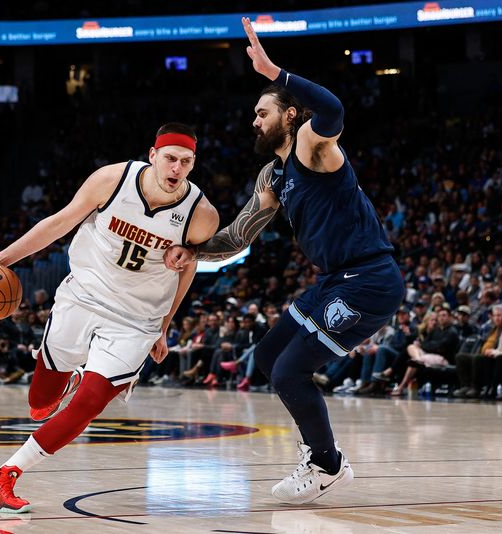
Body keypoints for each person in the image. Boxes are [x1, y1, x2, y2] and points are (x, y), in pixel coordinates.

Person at [164, 18, 403, 504]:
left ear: (291, 115)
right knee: (270, 358)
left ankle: (327, 463)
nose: (254, 121)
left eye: (262, 112)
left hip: (368, 280)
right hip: (335, 280)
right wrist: (191, 249)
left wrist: (273, 70)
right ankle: (321, 449)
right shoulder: (271, 175)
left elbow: (334, 107)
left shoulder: (315, 148)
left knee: (290, 372)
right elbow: (236, 236)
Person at [0, 123, 218, 513]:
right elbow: (58, 223)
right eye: (170, 158)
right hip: (83, 296)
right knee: (39, 403)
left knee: (89, 403)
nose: (177, 169)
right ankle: (67, 377)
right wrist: (2, 259)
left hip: (136, 320)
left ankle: (4, 475)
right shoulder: (112, 179)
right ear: (152, 155)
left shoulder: (201, 215)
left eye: (186, 162)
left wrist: (164, 326)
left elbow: (186, 270)